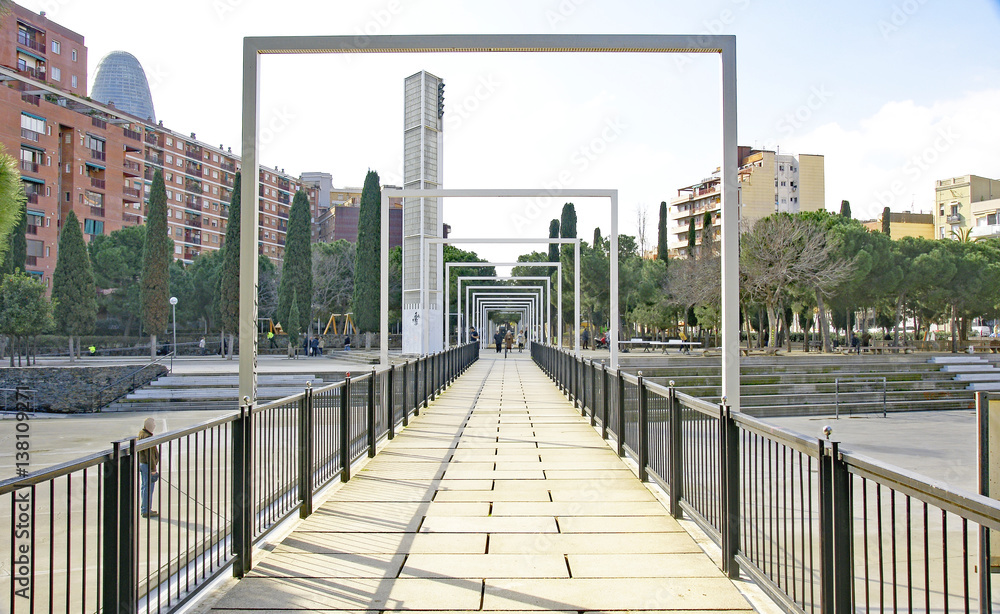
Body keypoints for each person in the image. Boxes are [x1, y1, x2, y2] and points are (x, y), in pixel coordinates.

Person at [138, 417, 159, 518]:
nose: (154, 426)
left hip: (143, 464)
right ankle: (146, 510)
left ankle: (145, 508)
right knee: (148, 488)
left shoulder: (141, 434)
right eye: (152, 424)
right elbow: (149, 455)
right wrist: (153, 469)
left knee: (144, 487)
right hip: (147, 465)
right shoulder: (147, 437)